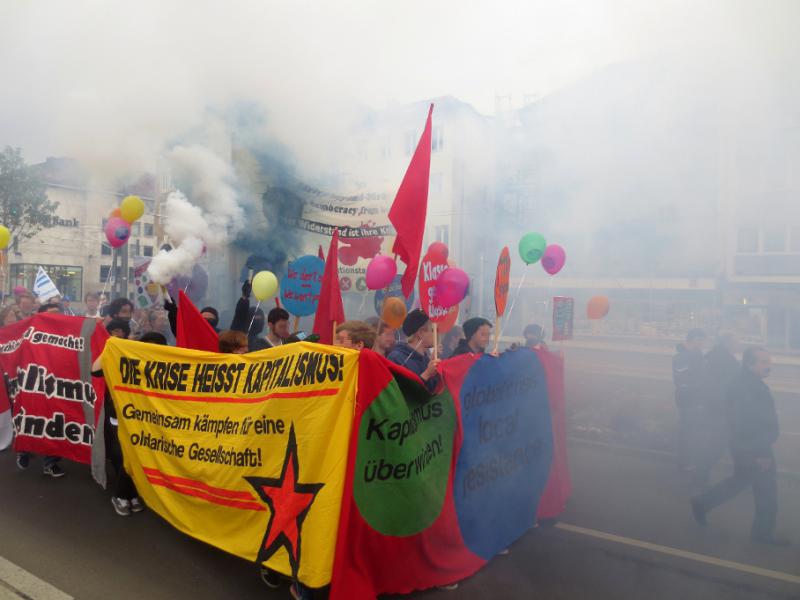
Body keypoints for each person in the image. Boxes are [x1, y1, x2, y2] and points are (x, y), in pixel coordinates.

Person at [690, 347, 789, 546]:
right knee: (767, 491)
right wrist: (761, 453)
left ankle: (703, 502)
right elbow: (747, 422)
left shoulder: (747, 383)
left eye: (769, 362)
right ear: (749, 363)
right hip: (755, 447)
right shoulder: (747, 387)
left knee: (741, 480)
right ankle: (762, 534)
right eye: (763, 362)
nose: (768, 366)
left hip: (746, 445)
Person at [695, 332, 740, 486]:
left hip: (712, 407)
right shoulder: (729, 363)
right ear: (727, 344)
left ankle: (701, 474)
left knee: (716, 443)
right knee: (720, 444)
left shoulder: (711, 358)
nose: (738, 345)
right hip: (723, 410)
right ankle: (701, 476)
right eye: (735, 342)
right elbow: (730, 388)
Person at [672, 329, 706, 472]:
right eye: (702, 340)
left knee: (692, 430)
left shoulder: (696, 355)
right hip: (688, 399)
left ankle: (690, 460)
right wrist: (697, 390)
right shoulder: (682, 357)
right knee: (687, 430)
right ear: (694, 340)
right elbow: (683, 379)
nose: (704, 343)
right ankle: (684, 462)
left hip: (694, 398)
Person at [386, 309, 441, 393]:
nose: (437, 334)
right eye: (433, 330)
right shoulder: (397, 358)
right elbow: (402, 394)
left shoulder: (425, 359)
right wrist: (427, 374)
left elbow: (430, 392)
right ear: (421, 333)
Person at [230, 280, 270, 352]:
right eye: (254, 319)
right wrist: (244, 298)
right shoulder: (237, 339)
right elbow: (240, 315)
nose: (257, 322)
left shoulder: (264, 344)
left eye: (260, 320)